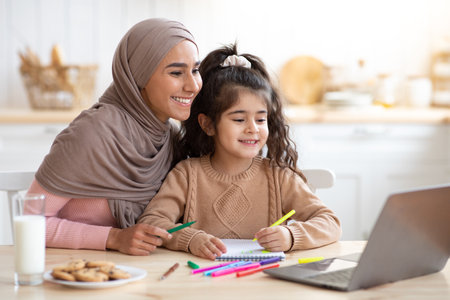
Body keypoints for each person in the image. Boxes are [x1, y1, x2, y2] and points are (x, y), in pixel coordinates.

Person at [137, 44, 341, 260]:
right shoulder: (187, 174)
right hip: (202, 283)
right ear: (208, 124)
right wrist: (190, 240)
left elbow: (330, 223)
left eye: (261, 119)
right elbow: (151, 222)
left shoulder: (279, 177)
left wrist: (291, 236)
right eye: (239, 119)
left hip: (264, 282)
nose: (253, 128)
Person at [26, 18, 203, 256]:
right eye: (176, 72)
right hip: (74, 272)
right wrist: (113, 237)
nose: (193, 85)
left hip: (139, 272)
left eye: (195, 70)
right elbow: (30, 224)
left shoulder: (169, 139)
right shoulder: (92, 133)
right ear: (139, 76)